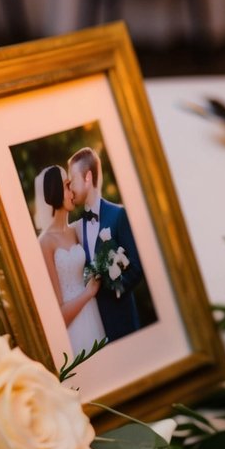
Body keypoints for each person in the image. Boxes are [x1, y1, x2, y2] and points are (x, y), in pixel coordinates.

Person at [67, 146, 145, 342]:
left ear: (87, 178)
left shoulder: (119, 215)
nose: (70, 188)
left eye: (72, 181)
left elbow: (137, 266)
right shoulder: (77, 227)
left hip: (122, 322)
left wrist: (114, 285)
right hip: (93, 328)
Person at [33, 164, 105, 358]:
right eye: (67, 185)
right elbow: (60, 317)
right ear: (56, 190)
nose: (72, 191)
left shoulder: (77, 230)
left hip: (93, 315)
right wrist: (89, 292)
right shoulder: (45, 243)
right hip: (75, 328)